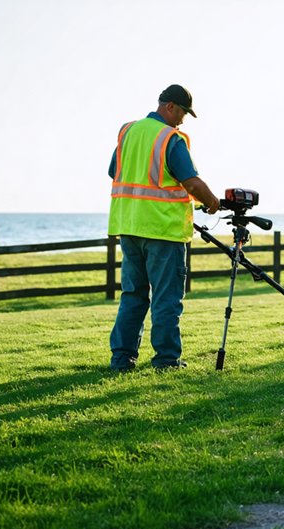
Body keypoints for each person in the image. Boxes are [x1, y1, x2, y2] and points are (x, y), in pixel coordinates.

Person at [107, 84, 220, 371]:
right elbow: (191, 181)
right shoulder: (170, 137)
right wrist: (212, 202)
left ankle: (122, 358)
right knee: (166, 299)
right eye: (183, 112)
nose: (183, 119)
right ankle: (167, 360)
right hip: (163, 232)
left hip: (130, 228)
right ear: (169, 106)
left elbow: (114, 171)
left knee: (133, 295)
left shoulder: (128, 131)